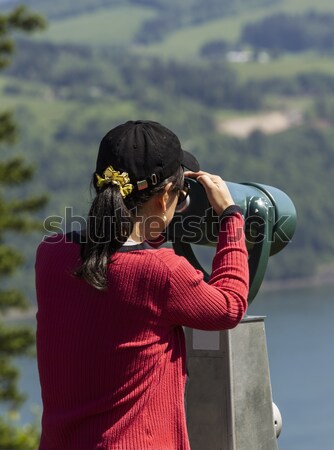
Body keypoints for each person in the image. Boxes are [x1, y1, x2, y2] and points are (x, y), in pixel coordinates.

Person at [35, 120, 249, 450]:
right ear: (164, 198)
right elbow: (229, 304)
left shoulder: (50, 254)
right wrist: (231, 216)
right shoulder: (161, 273)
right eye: (180, 196)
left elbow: (117, 261)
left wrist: (149, 230)